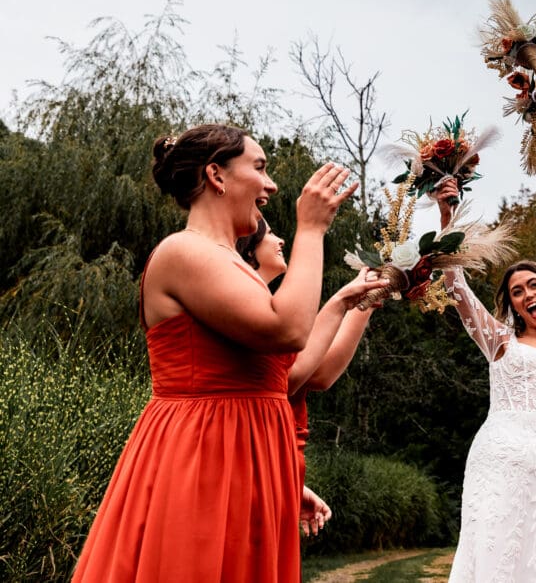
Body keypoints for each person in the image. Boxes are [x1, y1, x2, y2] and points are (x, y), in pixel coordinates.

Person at [73, 124, 357, 582]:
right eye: (260, 168)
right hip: (201, 459)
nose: (271, 185)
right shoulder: (183, 251)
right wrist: (312, 228)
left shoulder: (232, 265)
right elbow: (288, 329)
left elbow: (278, 378)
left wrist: (282, 482)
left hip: (248, 463)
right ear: (216, 176)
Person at [434, 179, 536, 582]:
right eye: (517, 292)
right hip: (498, 464)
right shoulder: (501, 342)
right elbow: (456, 285)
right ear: (513, 305)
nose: (527, 294)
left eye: (533, 285)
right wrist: (447, 216)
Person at [236, 218, 384, 536]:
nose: (280, 240)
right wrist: (341, 301)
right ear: (248, 249)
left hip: (282, 463)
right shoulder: (251, 309)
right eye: (271, 233)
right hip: (256, 464)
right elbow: (289, 376)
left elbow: (322, 373)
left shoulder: (268, 304)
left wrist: (365, 304)